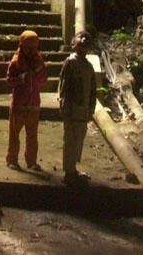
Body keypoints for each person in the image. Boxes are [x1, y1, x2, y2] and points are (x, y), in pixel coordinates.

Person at [58, 30, 97, 185]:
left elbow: (93, 89)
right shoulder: (70, 62)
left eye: (86, 38)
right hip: (72, 108)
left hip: (83, 110)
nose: (83, 39)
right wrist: (64, 106)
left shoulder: (88, 66)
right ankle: (69, 171)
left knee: (78, 139)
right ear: (73, 43)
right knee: (70, 140)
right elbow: (64, 86)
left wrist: (91, 108)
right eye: (80, 37)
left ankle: (72, 168)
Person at [6, 29, 47, 171]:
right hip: (19, 105)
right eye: (28, 47)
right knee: (14, 134)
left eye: (34, 48)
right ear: (22, 46)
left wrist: (37, 71)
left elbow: (43, 79)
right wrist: (20, 79)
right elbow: (9, 80)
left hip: (34, 104)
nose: (31, 51)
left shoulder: (38, 61)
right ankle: (12, 159)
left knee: (32, 136)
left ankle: (31, 161)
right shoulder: (15, 63)